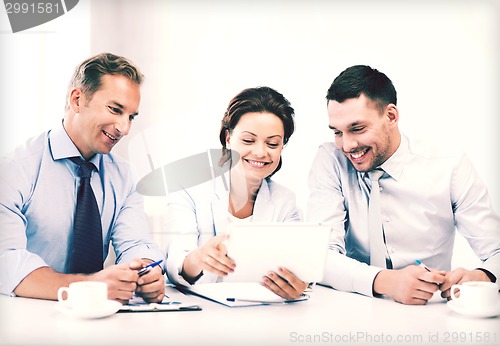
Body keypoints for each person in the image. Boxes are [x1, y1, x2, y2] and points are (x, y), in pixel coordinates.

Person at [307, 65, 500, 305]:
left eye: (357, 129)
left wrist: (481, 276)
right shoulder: (330, 161)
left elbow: (496, 251)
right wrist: (386, 281)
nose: (346, 145)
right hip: (350, 312)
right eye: (338, 132)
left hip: (431, 315)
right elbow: (319, 256)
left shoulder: (450, 166)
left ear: (391, 116)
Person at [0, 53, 165, 304]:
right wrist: (88, 287)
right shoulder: (15, 168)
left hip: (100, 320)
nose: (124, 128)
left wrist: (144, 270)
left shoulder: (124, 176)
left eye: (130, 116)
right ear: (77, 99)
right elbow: (6, 261)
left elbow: (135, 242)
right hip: (27, 317)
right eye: (115, 109)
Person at [165, 86, 307, 299]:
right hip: (200, 313)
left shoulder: (285, 201)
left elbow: (298, 266)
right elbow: (176, 265)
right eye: (248, 140)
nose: (260, 152)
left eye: (272, 143)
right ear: (228, 138)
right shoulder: (188, 189)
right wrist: (198, 259)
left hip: (261, 312)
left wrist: (296, 283)